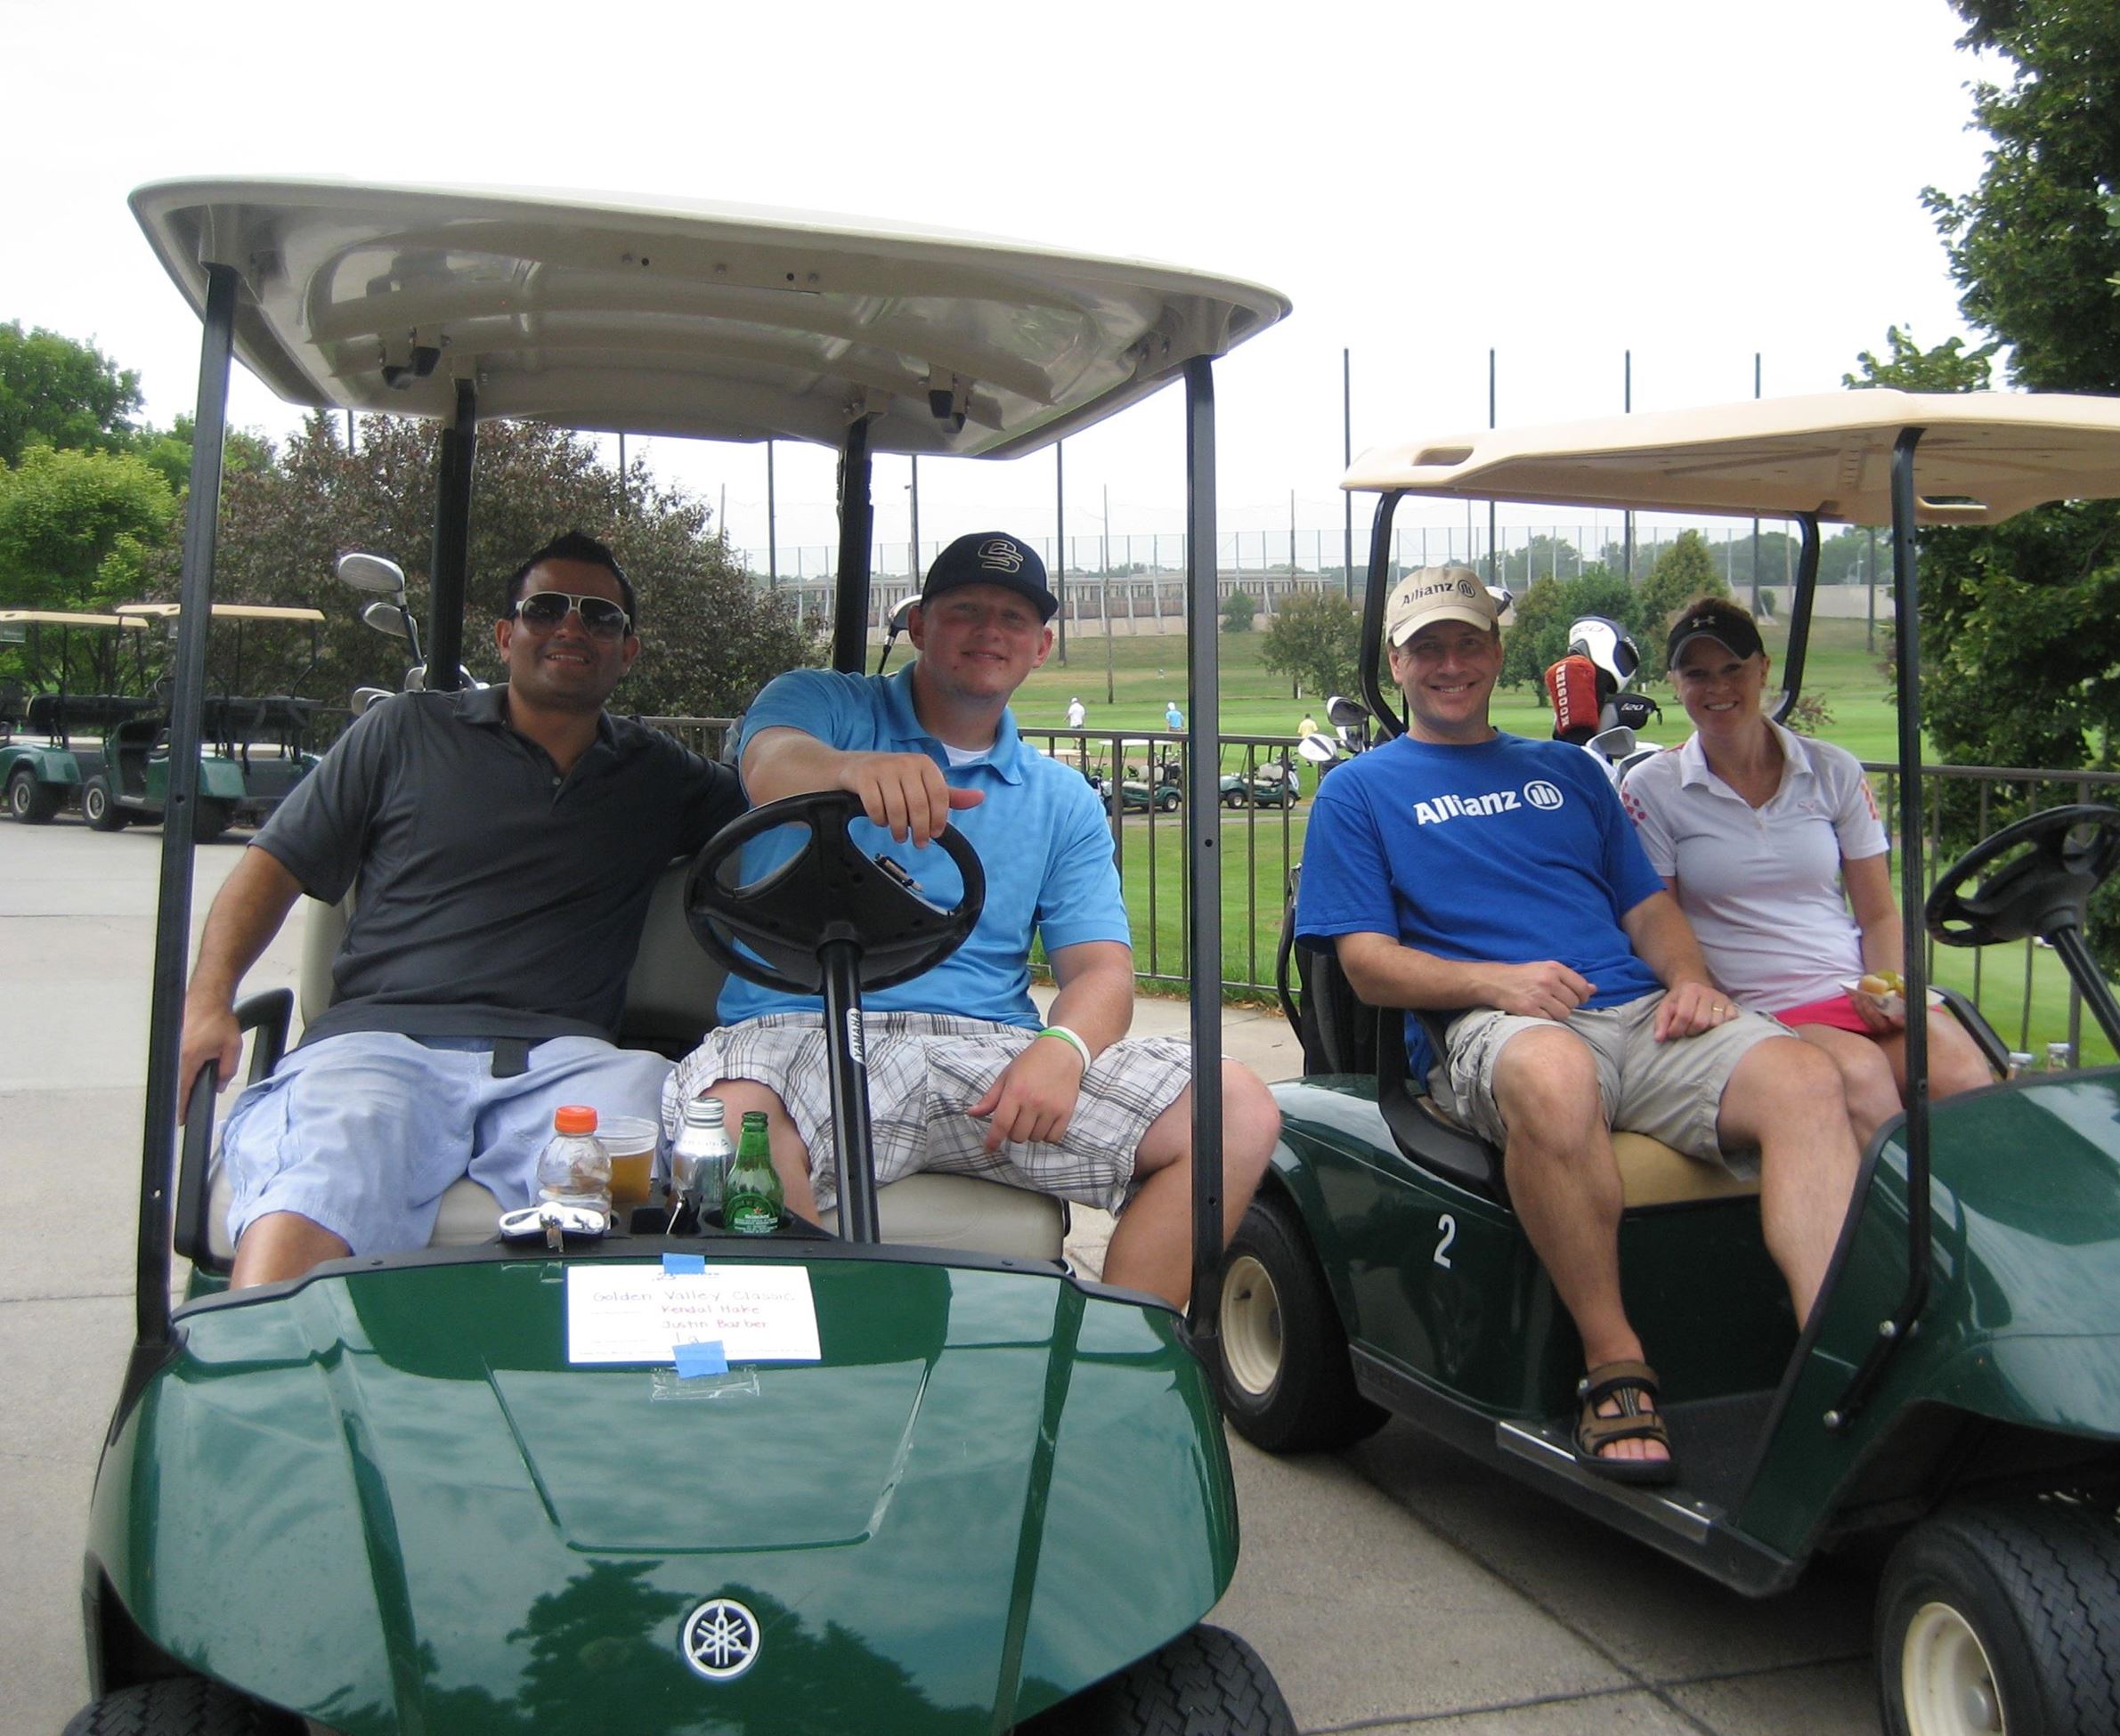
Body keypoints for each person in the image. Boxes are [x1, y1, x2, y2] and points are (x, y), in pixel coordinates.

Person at [1293, 566, 1858, 1484]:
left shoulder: (1565, 771)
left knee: (1804, 1080)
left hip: (1634, 1012)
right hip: (1487, 1025)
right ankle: (1613, 1363)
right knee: (1552, 1079)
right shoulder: (1359, 793)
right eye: (1427, 647)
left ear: (1495, 654)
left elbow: (1644, 910)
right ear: (1394, 662)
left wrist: (1689, 979)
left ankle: (1832, 1359)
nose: (1449, 663)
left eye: (1466, 643)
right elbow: (1364, 963)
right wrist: (1496, 983)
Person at [666, 531, 1278, 1310]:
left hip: (982, 1056)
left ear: (1042, 645)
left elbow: (1102, 972)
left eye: (1014, 619)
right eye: (965, 611)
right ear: (918, 625)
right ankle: (802, 1380)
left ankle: (1110, 1371)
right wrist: (852, 771)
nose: (991, 632)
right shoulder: (821, 705)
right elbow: (771, 761)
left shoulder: (1063, 800)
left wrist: (1064, 1047)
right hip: (797, 1031)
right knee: (735, 1127)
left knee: (1236, 1109)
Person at [180, 531, 747, 1288]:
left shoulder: (660, 775)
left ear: (628, 652)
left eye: (600, 618)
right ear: (507, 634)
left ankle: (612, 1384)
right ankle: (268, 1376)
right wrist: (207, 1002)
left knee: (653, 1144)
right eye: (547, 609)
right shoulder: (402, 731)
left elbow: (775, 806)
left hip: (563, 1056)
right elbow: (272, 866)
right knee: (328, 1163)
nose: (572, 627)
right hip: (384, 1041)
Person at [1620, 597, 1994, 1146]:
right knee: (1863, 1080)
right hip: (1754, 1005)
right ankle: (1904, 1229)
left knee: (1964, 1075)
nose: (1717, 688)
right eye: (1697, 674)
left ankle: (1973, 1225)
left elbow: (1879, 913)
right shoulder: (1654, 786)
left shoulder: (1831, 770)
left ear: (1763, 669)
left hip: (1850, 988)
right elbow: (1660, 918)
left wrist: (1887, 987)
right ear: (1675, 683)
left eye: (1733, 670)